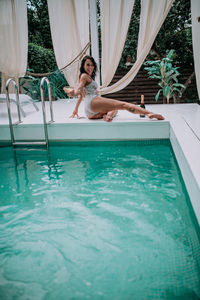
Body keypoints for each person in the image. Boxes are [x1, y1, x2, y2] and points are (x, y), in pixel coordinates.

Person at [63, 55, 164, 122]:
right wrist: (74, 93)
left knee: (115, 109)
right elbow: (79, 90)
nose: (90, 67)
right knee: (123, 105)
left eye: (92, 65)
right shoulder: (84, 76)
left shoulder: (86, 77)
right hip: (93, 102)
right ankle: (149, 114)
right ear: (83, 66)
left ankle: (107, 116)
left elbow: (81, 95)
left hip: (89, 113)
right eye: (88, 65)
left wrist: (75, 110)